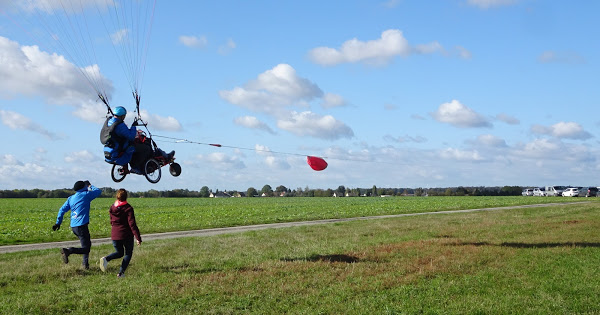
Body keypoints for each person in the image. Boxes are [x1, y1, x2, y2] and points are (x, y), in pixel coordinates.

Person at [100, 106, 174, 173]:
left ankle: (128, 168)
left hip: (109, 152)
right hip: (119, 154)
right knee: (145, 148)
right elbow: (131, 137)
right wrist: (133, 126)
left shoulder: (109, 121)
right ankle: (138, 167)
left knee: (132, 146)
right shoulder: (120, 125)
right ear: (122, 116)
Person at [52, 180, 102, 269]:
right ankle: (68, 251)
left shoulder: (71, 198)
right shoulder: (86, 195)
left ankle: (85, 265)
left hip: (74, 226)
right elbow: (98, 191)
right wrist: (90, 185)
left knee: (86, 245)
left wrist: (58, 223)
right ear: (84, 187)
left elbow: (61, 210)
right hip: (82, 225)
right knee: (86, 248)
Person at [99, 188, 142, 278]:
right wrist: (138, 237)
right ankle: (121, 273)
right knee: (128, 253)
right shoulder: (128, 208)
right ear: (126, 197)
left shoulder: (112, 207)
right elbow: (132, 224)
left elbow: (111, 221)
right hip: (126, 235)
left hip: (115, 234)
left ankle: (106, 259)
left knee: (119, 253)